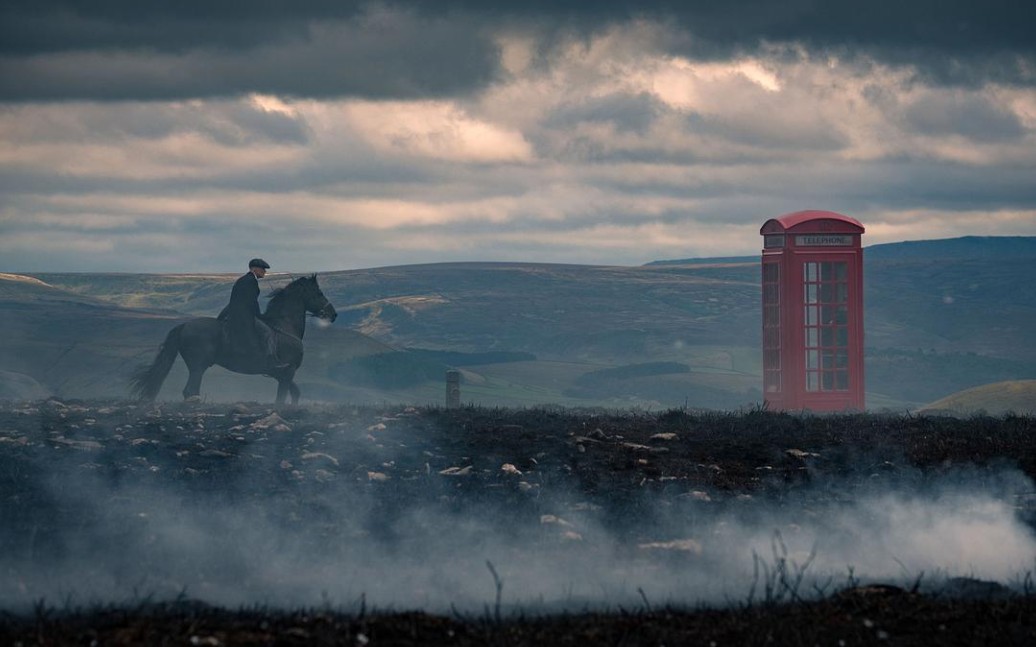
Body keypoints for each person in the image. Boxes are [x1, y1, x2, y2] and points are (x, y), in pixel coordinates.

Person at [218, 258, 287, 371]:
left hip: (236, 314)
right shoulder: (251, 281)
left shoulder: (243, 280)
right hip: (244, 316)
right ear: (254, 269)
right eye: (262, 269)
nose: (264, 271)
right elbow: (251, 302)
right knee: (267, 332)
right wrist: (259, 316)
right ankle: (271, 361)